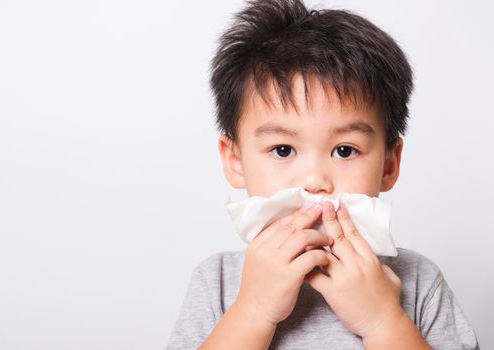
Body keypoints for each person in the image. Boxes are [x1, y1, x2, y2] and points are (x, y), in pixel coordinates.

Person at [167, 0, 480, 348]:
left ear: (389, 165)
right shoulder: (218, 282)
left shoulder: (418, 280)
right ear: (235, 161)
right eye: (283, 150)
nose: (315, 181)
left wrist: (383, 321)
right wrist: (253, 311)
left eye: (345, 150)